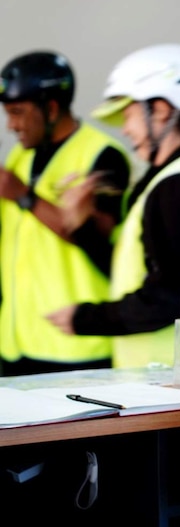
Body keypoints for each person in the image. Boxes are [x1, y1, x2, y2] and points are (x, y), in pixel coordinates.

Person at [46, 43, 180, 369]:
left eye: (129, 114)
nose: (125, 129)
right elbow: (146, 275)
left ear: (163, 110)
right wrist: (83, 227)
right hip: (164, 381)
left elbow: (165, 299)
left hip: (171, 383)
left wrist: (85, 319)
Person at [0, 50, 131, 376]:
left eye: (17, 112)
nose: (11, 125)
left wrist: (23, 195)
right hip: (18, 343)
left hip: (76, 345)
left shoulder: (104, 157)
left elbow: (100, 246)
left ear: (52, 108)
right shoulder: (21, 156)